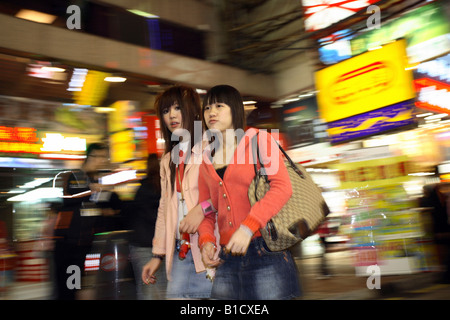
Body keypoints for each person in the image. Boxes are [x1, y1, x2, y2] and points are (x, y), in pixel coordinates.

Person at [196, 84, 301, 300]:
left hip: (265, 250)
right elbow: (207, 207)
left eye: (218, 106)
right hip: (227, 257)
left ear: (234, 109)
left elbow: (282, 187)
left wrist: (247, 227)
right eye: (207, 108)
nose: (211, 112)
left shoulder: (259, 140)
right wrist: (206, 240)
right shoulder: (206, 159)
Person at [141, 85, 219, 299]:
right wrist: (157, 254)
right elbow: (164, 207)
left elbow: (227, 194)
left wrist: (202, 209)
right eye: (166, 111)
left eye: (177, 108)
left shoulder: (211, 147)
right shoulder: (167, 160)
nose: (171, 115)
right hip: (180, 251)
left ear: (192, 110)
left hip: (209, 247)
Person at [53, 142, 122, 300]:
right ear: (91, 156)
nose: (103, 161)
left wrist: (105, 210)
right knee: (67, 289)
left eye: (105, 157)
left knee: (75, 287)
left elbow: (95, 207)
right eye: (101, 157)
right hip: (68, 245)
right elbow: (68, 197)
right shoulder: (74, 176)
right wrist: (92, 189)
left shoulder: (94, 180)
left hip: (82, 245)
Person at [126, 153, 166, 299]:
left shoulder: (142, 190)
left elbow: (130, 214)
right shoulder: (166, 188)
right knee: (162, 290)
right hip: (162, 245)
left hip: (142, 244)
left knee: (147, 290)